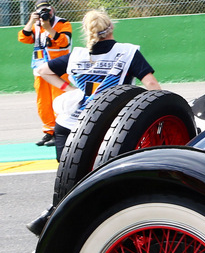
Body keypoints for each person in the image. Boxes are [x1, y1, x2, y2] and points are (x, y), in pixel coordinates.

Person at [35, 9, 161, 160]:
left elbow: (43, 70)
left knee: (69, 177)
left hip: (69, 124)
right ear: (111, 27)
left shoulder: (77, 55)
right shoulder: (127, 52)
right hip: (107, 124)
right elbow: (151, 83)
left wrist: (69, 89)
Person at [19, 0, 72, 146]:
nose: (45, 13)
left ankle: (61, 131)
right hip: (40, 69)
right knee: (43, 102)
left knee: (59, 100)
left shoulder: (62, 24)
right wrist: (31, 21)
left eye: (47, 10)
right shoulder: (36, 25)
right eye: (41, 11)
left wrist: (48, 28)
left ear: (52, 9)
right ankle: (49, 131)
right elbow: (23, 38)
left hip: (59, 69)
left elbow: (64, 42)